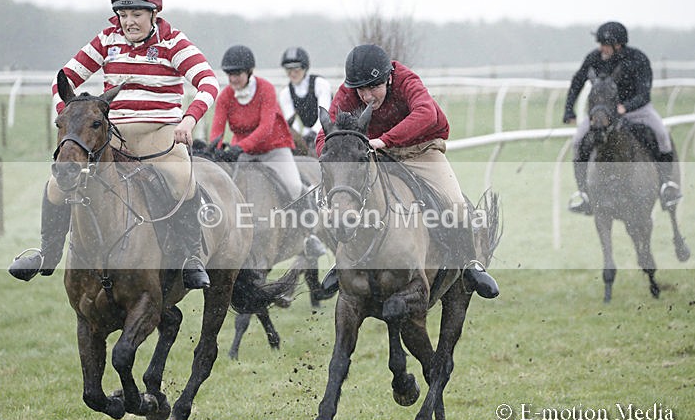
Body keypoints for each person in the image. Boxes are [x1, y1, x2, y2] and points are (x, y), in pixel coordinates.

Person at [9, 0, 217, 289]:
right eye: (123, 15)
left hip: (160, 136)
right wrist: (66, 113)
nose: (128, 22)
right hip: (112, 138)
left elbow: (208, 83)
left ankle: (191, 258)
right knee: (56, 184)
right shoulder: (106, 39)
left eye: (136, 14)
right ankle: (47, 253)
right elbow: (62, 79)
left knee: (182, 181)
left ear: (154, 13)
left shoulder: (174, 42)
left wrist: (188, 120)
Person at [315, 44, 498, 299]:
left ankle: (469, 264)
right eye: (361, 89)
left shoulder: (406, 80)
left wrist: (386, 139)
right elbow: (326, 133)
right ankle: (344, 261)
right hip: (379, 153)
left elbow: (427, 113)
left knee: (455, 204)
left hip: (421, 150)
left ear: (388, 78)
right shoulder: (348, 92)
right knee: (340, 208)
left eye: (373, 87)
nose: (367, 96)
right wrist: (332, 153)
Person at [210, 45, 325, 257]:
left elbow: (265, 128)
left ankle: (309, 236)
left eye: (237, 74)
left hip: (274, 148)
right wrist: (215, 150)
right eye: (229, 74)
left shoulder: (266, 89)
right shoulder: (226, 96)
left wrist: (238, 148)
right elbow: (217, 128)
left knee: (293, 186)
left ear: (249, 72)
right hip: (243, 151)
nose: (233, 79)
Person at [564, 21, 682, 214]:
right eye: (600, 43)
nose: (601, 48)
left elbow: (644, 93)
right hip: (602, 114)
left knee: (662, 136)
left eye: (604, 44)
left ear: (618, 45)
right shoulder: (594, 58)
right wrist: (569, 110)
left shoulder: (638, 59)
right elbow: (577, 82)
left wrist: (625, 107)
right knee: (578, 141)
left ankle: (666, 185)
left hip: (638, 111)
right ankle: (584, 195)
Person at [277, 46, 333, 147]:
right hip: (308, 135)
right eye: (288, 70)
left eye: (296, 69)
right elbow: (293, 122)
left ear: (304, 67)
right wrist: (302, 136)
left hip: (331, 130)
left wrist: (314, 133)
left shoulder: (320, 84)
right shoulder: (285, 93)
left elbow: (325, 114)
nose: (292, 74)